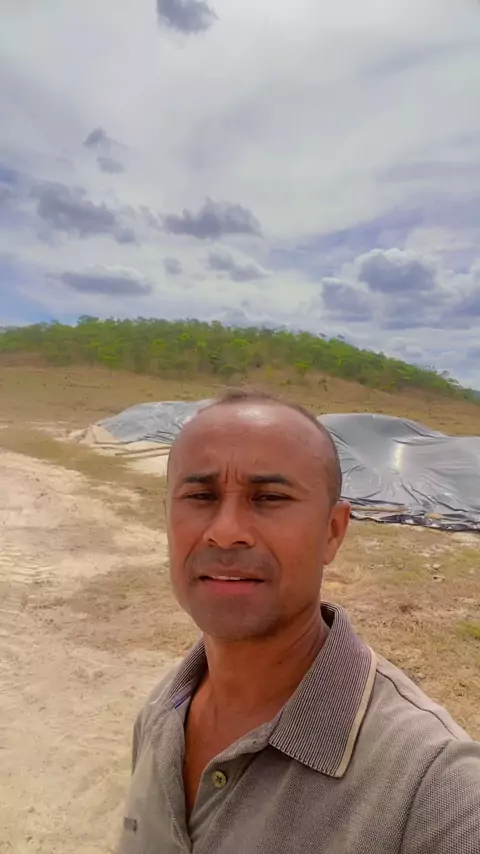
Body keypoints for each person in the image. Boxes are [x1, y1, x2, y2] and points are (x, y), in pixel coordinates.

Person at [116, 389, 480, 854]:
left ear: (333, 531)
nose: (225, 531)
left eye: (269, 497)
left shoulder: (433, 790)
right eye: (200, 496)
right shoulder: (164, 709)